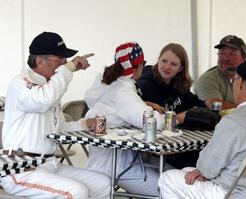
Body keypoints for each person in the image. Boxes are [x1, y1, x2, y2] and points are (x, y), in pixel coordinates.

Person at [1, 31, 110, 198]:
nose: (65, 64)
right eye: (60, 60)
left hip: (49, 164)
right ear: (39, 61)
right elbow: (44, 99)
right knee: (75, 192)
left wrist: (84, 124)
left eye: (65, 61)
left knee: (103, 183)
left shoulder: (49, 87)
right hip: (21, 168)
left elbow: (58, 129)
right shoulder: (20, 83)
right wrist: (69, 70)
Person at [158, 59, 246, 199]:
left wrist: (204, 171)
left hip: (231, 192)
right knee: (187, 171)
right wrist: (203, 171)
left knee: (167, 178)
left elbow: (207, 166)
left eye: (233, 80)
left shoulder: (233, 122)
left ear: (240, 82)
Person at [84, 42, 165, 196]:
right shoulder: (123, 90)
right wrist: (174, 117)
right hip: (118, 166)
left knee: (170, 172)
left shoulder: (105, 81)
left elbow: (115, 105)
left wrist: (143, 103)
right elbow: (152, 122)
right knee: (170, 189)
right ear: (138, 66)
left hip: (101, 161)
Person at [137, 43, 208, 169]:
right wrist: (180, 117)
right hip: (156, 146)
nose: (166, 67)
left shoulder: (179, 84)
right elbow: (156, 119)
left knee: (206, 154)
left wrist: (184, 115)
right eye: (164, 61)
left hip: (178, 141)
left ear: (181, 68)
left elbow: (200, 106)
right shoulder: (146, 83)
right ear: (158, 60)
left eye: (173, 64)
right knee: (196, 163)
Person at [194, 35, 246, 109]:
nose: (225, 58)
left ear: (244, 58)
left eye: (232, 54)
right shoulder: (208, 79)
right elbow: (214, 105)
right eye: (222, 53)